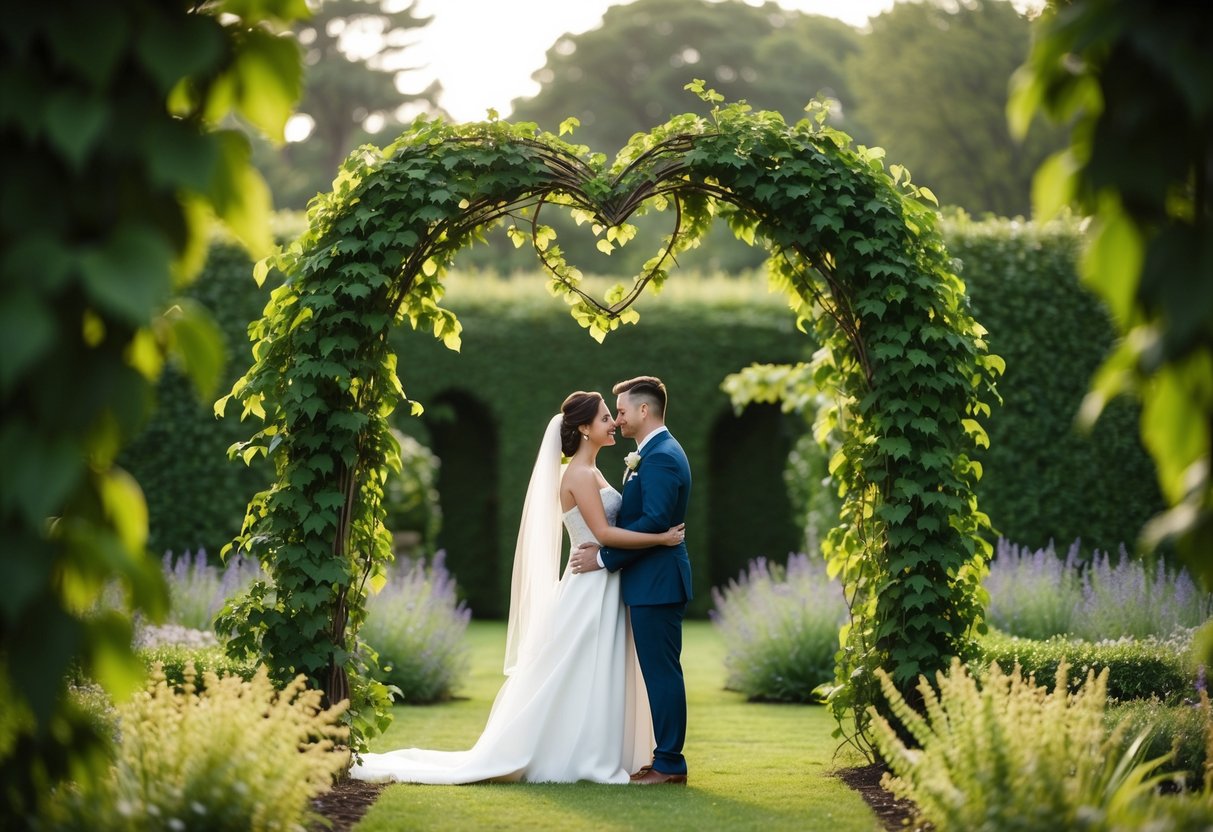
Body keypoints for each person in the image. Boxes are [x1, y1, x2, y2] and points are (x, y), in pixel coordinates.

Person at [349, 391, 685, 785]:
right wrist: (661, 539)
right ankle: (574, 753)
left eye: (615, 415)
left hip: (604, 583)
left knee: (595, 670)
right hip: (589, 586)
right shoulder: (577, 474)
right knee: (577, 669)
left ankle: (600, 748)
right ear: (583, 428)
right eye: (606, 417)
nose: (614, 423)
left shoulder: (593, 470)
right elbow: (606, 533)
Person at [569, 375, 692, 786]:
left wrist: (605, 556)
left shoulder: (659, 456)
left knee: (661, 673)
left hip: (657, 582)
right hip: (647, 581)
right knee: (657, 672)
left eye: (620, 411)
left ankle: (670, 763)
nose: (617, 420)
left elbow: (656, 520)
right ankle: (661, 757)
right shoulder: (649, 453)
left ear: (644, 410)